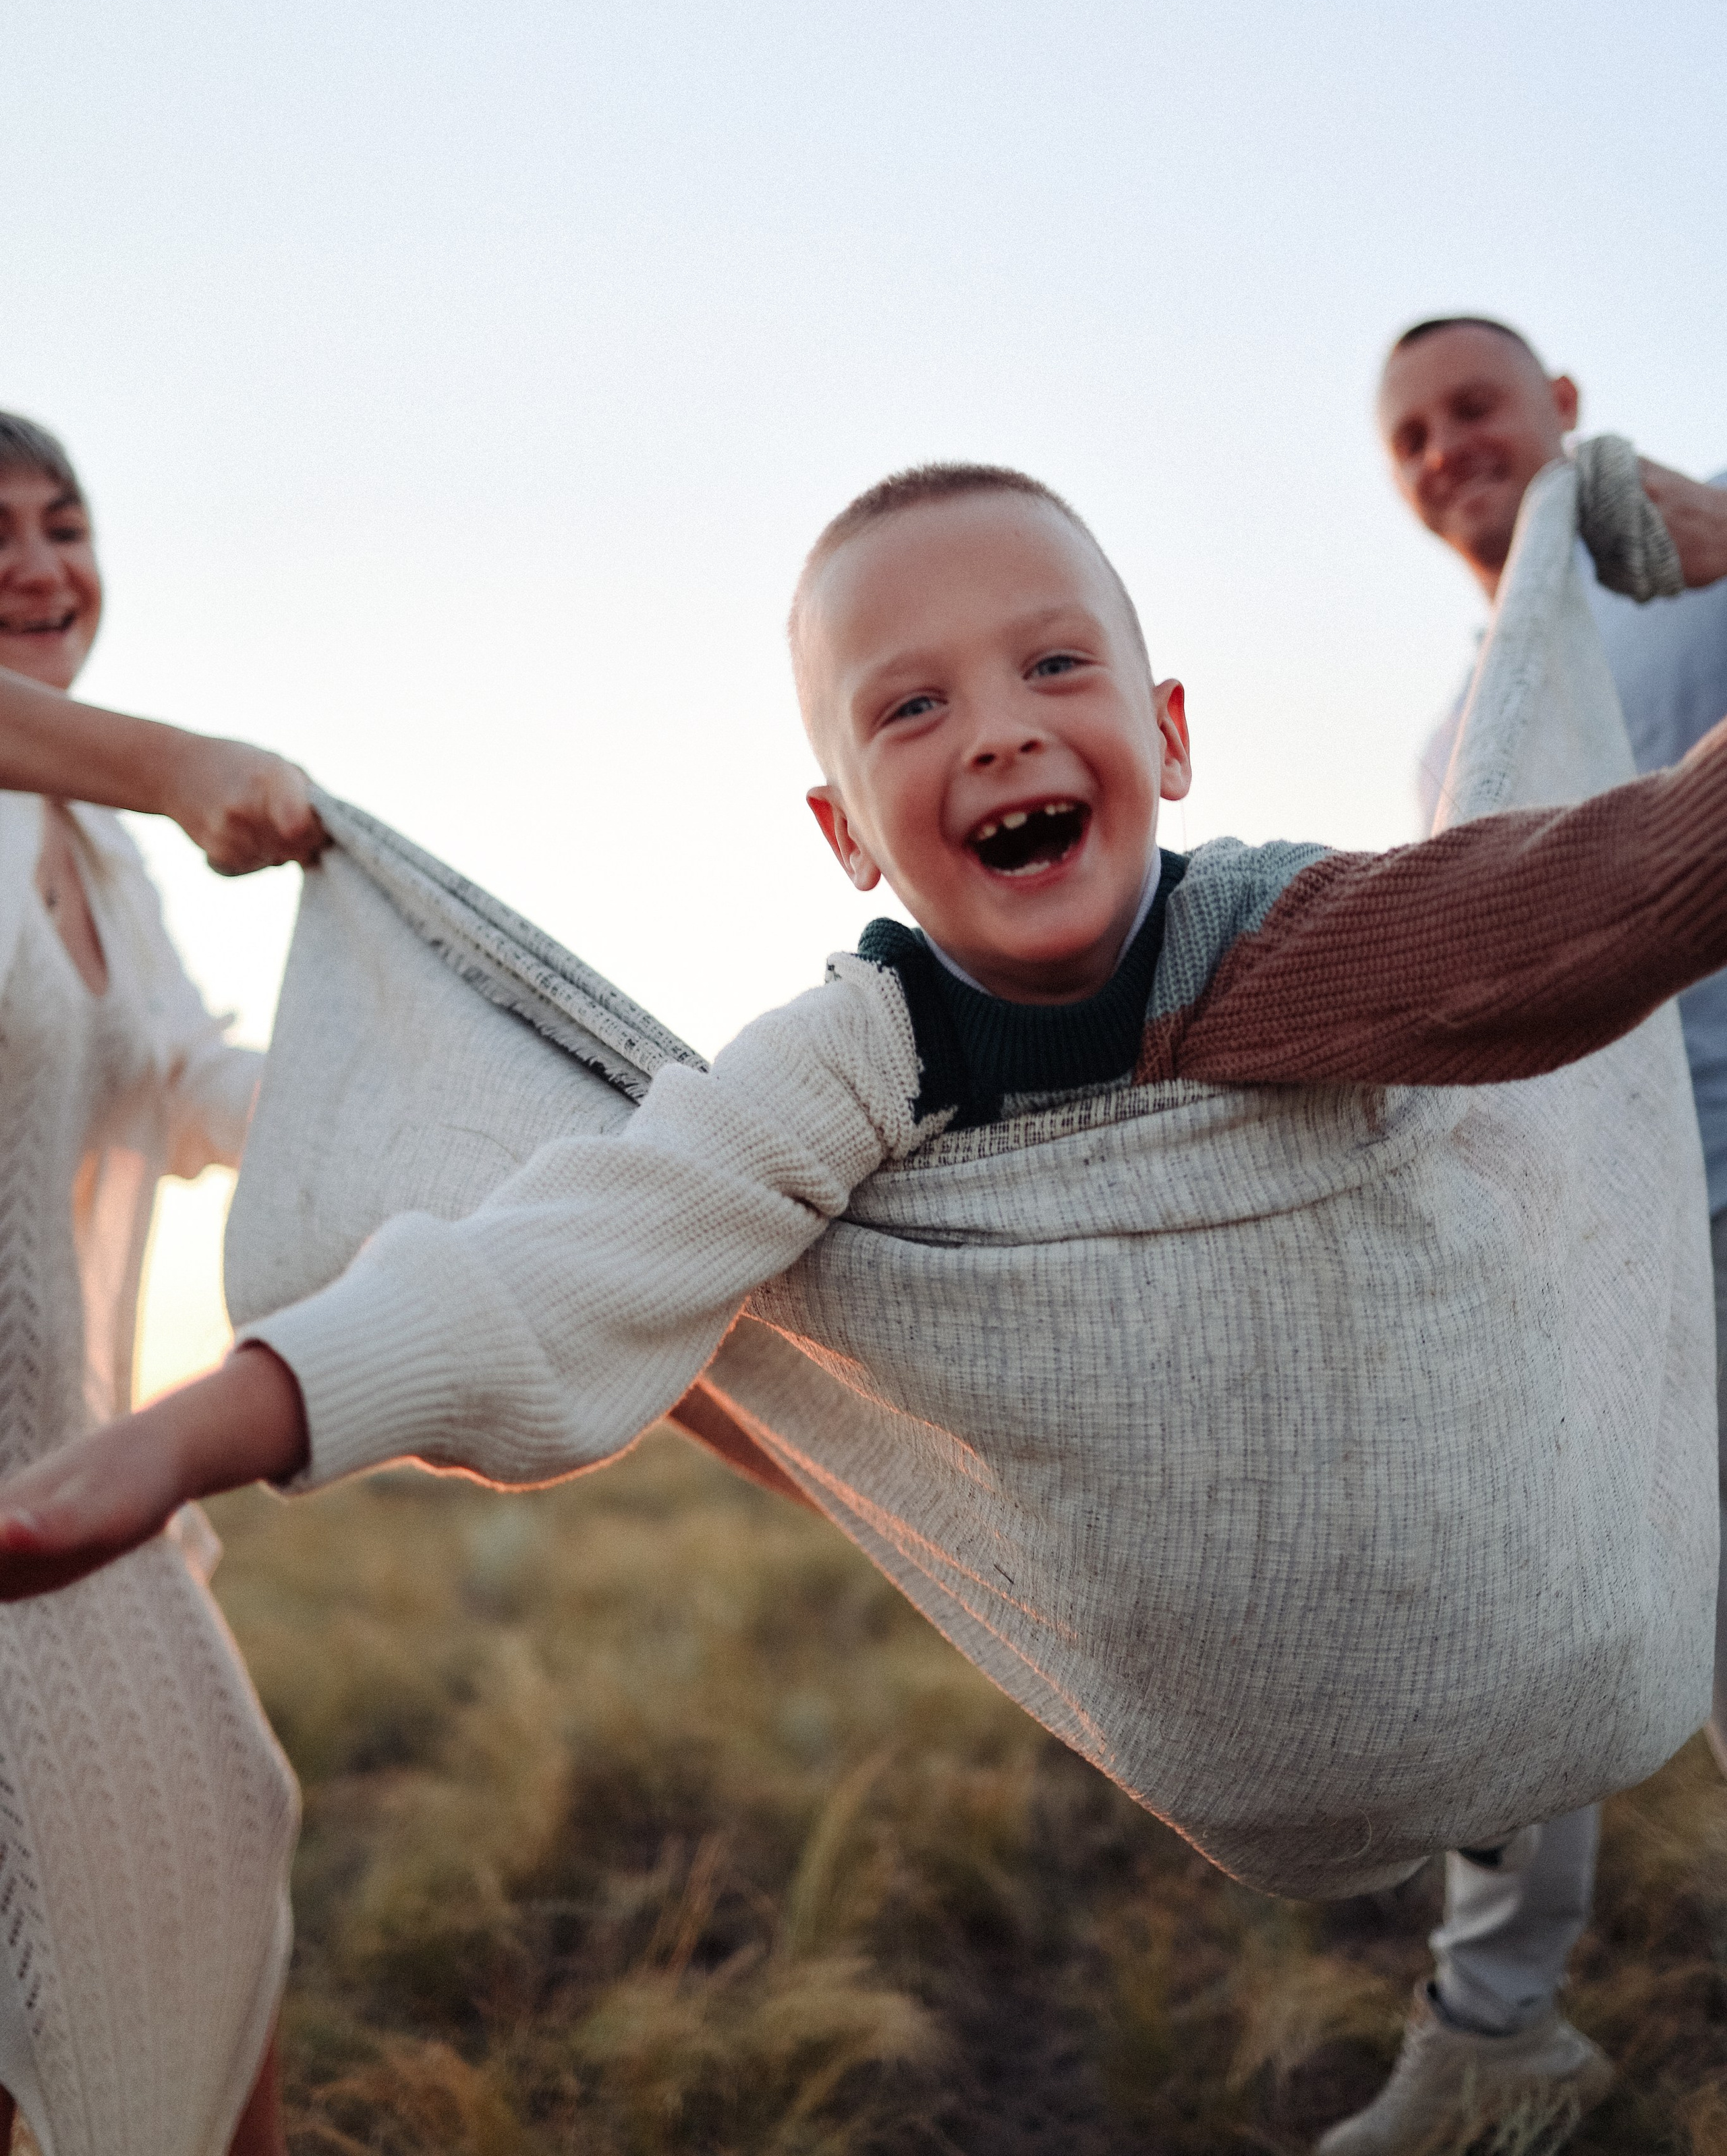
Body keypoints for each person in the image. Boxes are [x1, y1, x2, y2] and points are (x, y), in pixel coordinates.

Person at [0, 465, 1722, 2052]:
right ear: (847, 837)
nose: (993, 736)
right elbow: (555, 1256)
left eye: (1053, 670)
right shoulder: (859, 1055)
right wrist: (182, 1438)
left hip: (1498, 1596)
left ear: (1167, 734)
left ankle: (1501, 2019)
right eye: (912, 706)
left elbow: (1592, 904)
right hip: (1245, 1729)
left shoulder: (1273, 939)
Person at [1309, 316, 1727, 2156]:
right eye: (1408, 434)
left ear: (1563, 410)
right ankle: (1496, 2045)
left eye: (1473, 406)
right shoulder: (1447, 739)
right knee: (1515, 1643)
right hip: (1567, 1261)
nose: (1445, 449)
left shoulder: (1701, 580)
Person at [0, 409, 326, 2156]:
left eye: (66, 521)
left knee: (228, 1858)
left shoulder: (95, 843)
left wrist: (408, 1093)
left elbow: (192, 1086)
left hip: (81, 1483)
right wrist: (181, 755)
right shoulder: (106, 789)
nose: (41, 565)